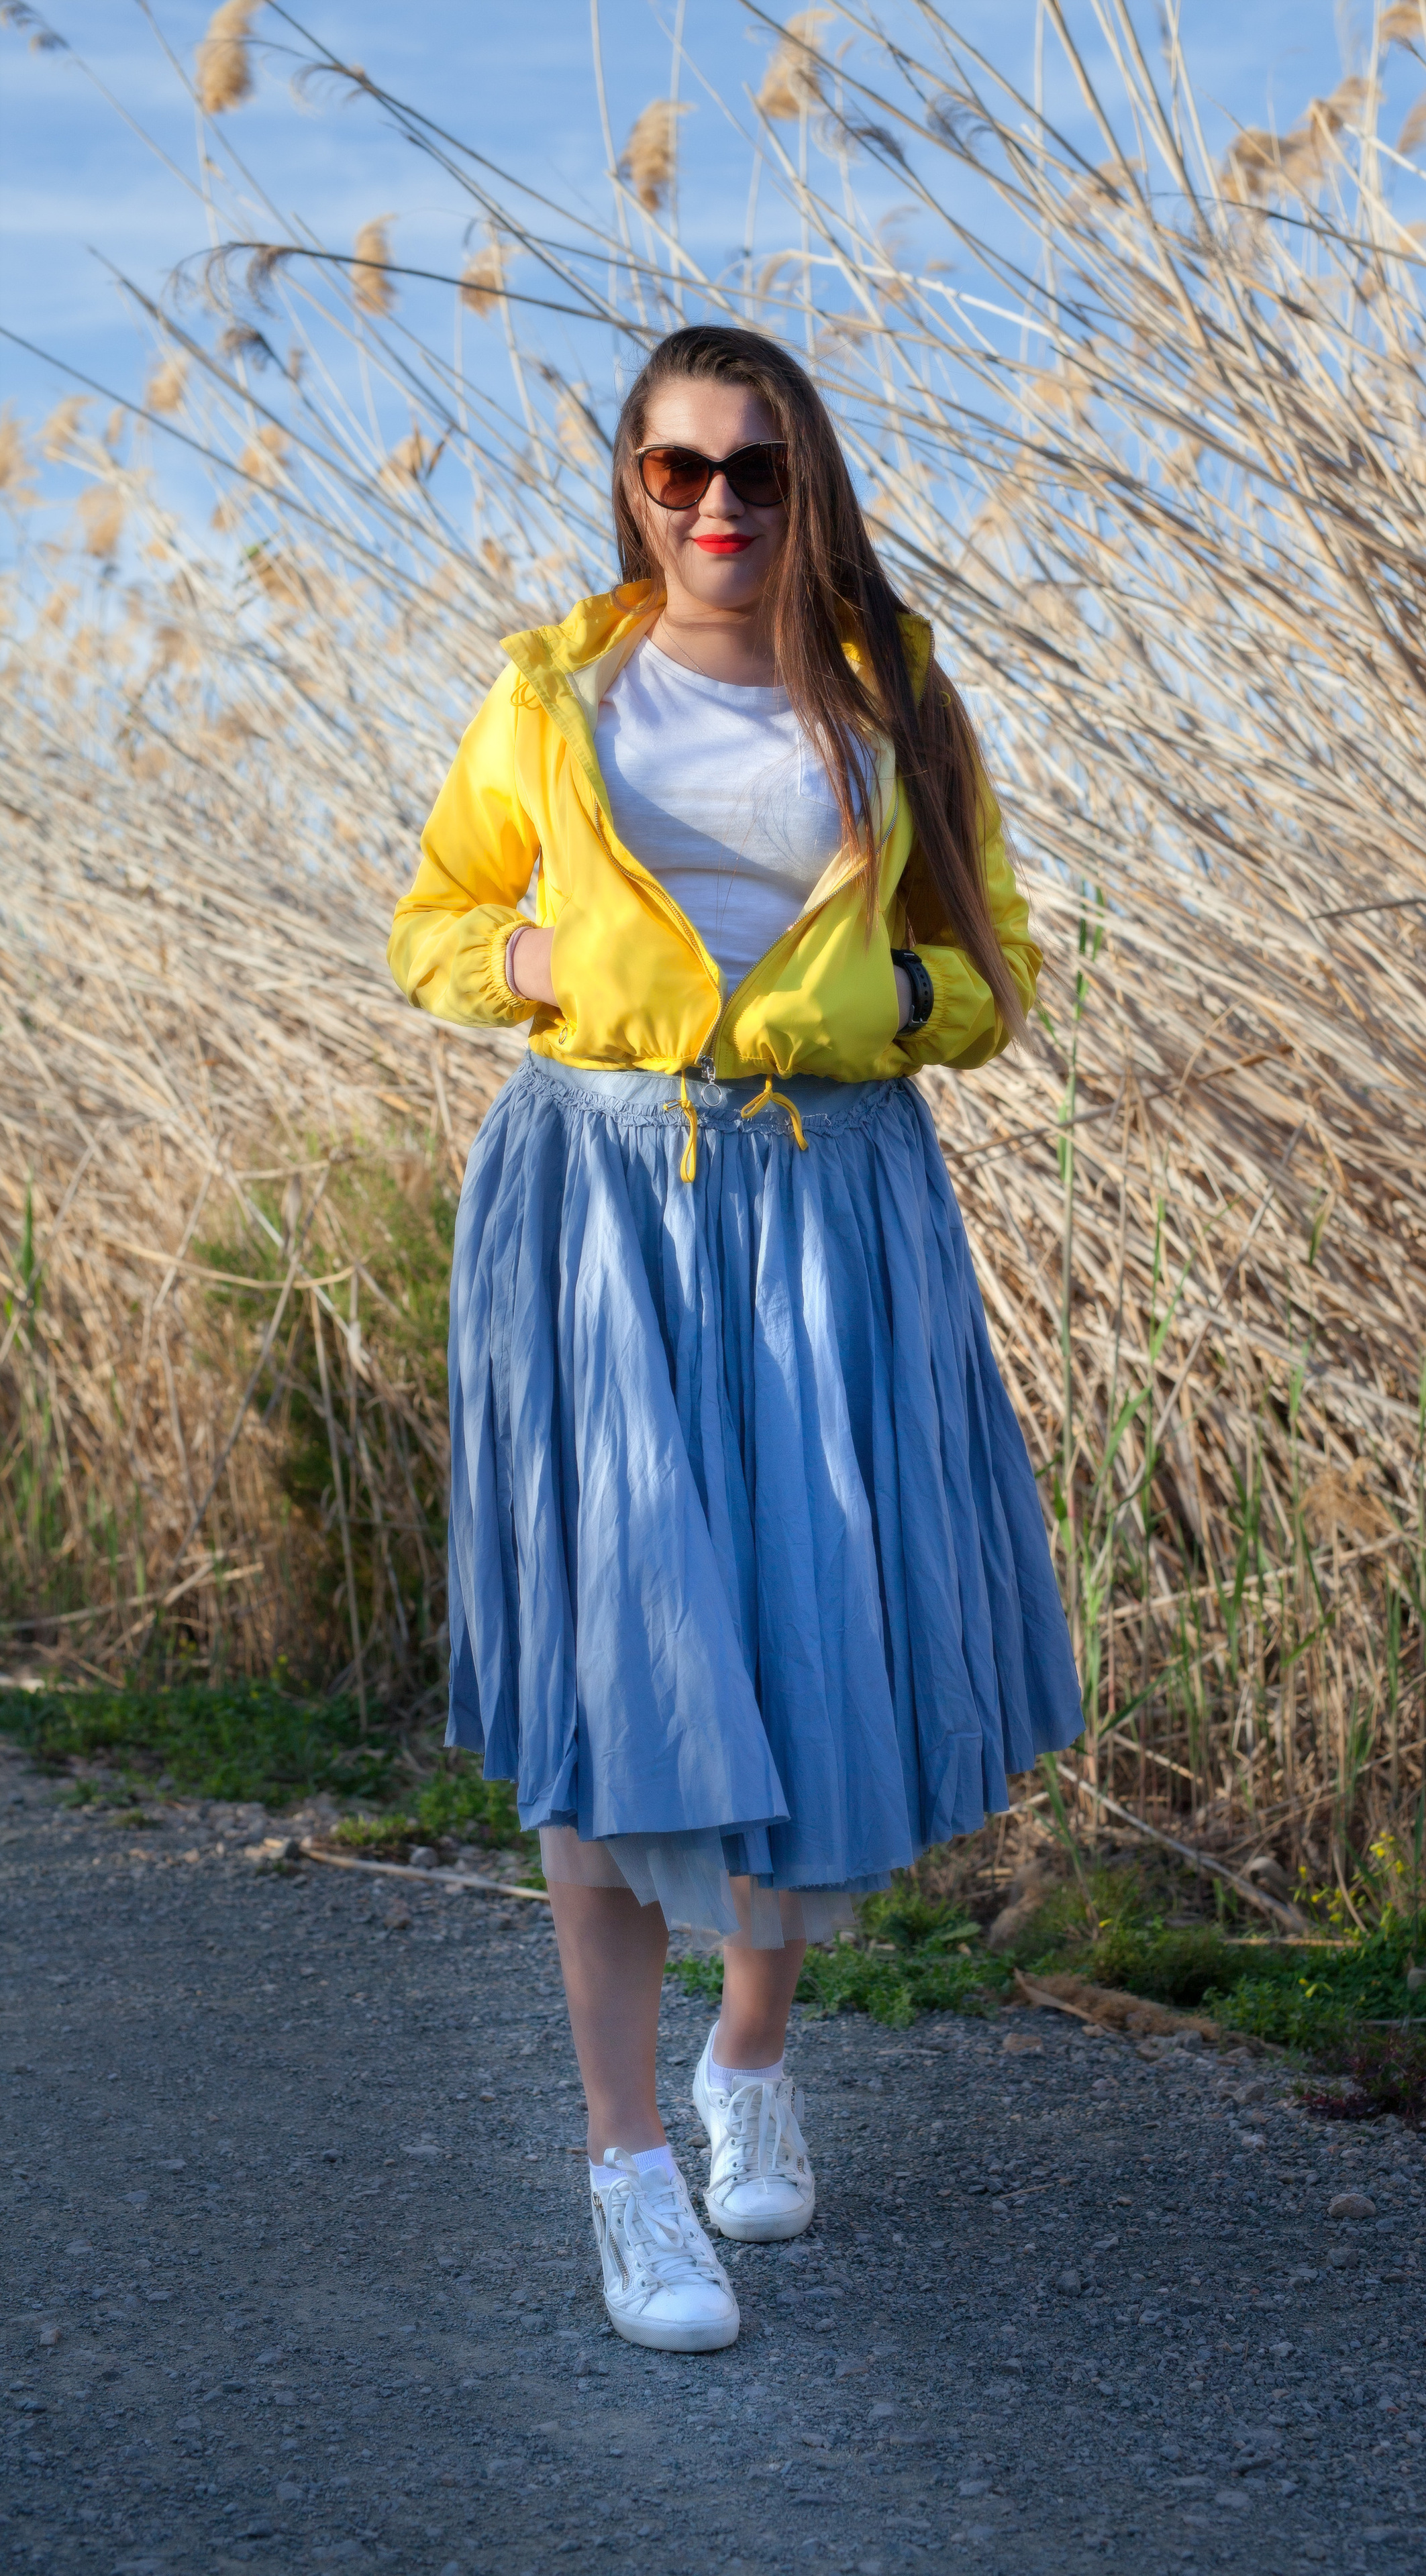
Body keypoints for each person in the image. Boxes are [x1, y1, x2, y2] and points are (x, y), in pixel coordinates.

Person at [388, 323, 1082, 2353]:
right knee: (623, 1678)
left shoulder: (894, 699)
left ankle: (753, 2059)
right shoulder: (549, 694)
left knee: (806, 1639)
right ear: (629, 483)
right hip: (597, 1199)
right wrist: (542, 953)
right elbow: (431, 927)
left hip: (834, 1205)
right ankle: (627, 2175)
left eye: (758, 471)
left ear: (811, 486)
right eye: (677, 470)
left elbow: (994, 972)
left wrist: (892, 1016)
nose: (715, 509)